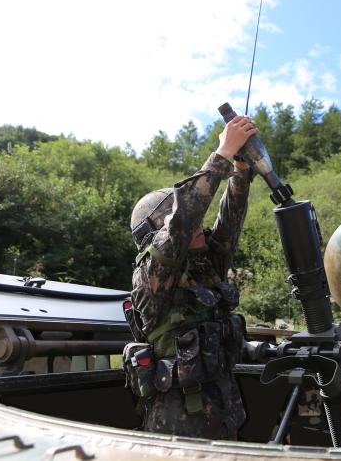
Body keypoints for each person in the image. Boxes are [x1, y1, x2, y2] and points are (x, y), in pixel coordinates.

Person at [124, 115, 256, 440]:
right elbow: (185, 216)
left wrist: (240, 171)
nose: (200, 224)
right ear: (159, 234)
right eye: (171, 221)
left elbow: (230, 221)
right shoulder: (152, 275)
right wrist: (223, 151)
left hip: (224, 409)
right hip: (179, 423)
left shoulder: (205, 263)